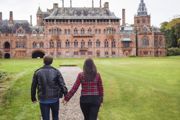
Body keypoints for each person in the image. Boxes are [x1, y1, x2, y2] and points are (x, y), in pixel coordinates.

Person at [31, 55, 67, 120]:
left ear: (43, 61)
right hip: (54, 98)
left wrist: (33, 97)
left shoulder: (37, 72)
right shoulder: (56, 71)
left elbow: (33, 86)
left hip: (43, 99)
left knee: (45, 118)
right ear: (52, 61)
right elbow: (62, 84)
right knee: (55, 117)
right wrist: (66, 96)